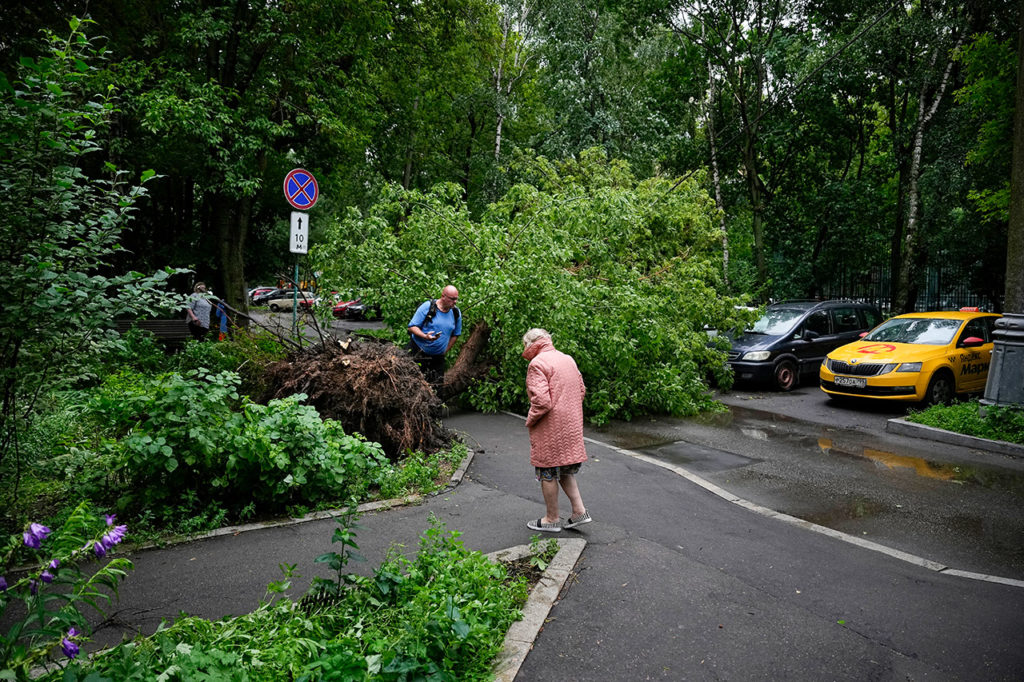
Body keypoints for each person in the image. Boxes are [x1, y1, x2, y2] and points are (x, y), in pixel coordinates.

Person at [521, 328, 592, 533]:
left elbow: (542, 402)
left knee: (548, 470)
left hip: (550, 426)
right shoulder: (567, 359)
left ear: (531, 344)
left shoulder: (537, 363)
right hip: (571, 423)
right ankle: (579, 512)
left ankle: (551, 519)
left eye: (524, 345)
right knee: (565, 468)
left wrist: (531, 419)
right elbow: (581, 390)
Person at [407, 285, 462, 386]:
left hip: (437, 358)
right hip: (418, 352)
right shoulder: (428, 307)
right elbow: (412, 327)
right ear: (443, 296)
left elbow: (456, 334)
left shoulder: (456, 312)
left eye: (456, 299)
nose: (455, 302)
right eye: (452, 299)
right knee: (413, 385)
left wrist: (445, 350)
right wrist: (425, 336)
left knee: (436, 388)